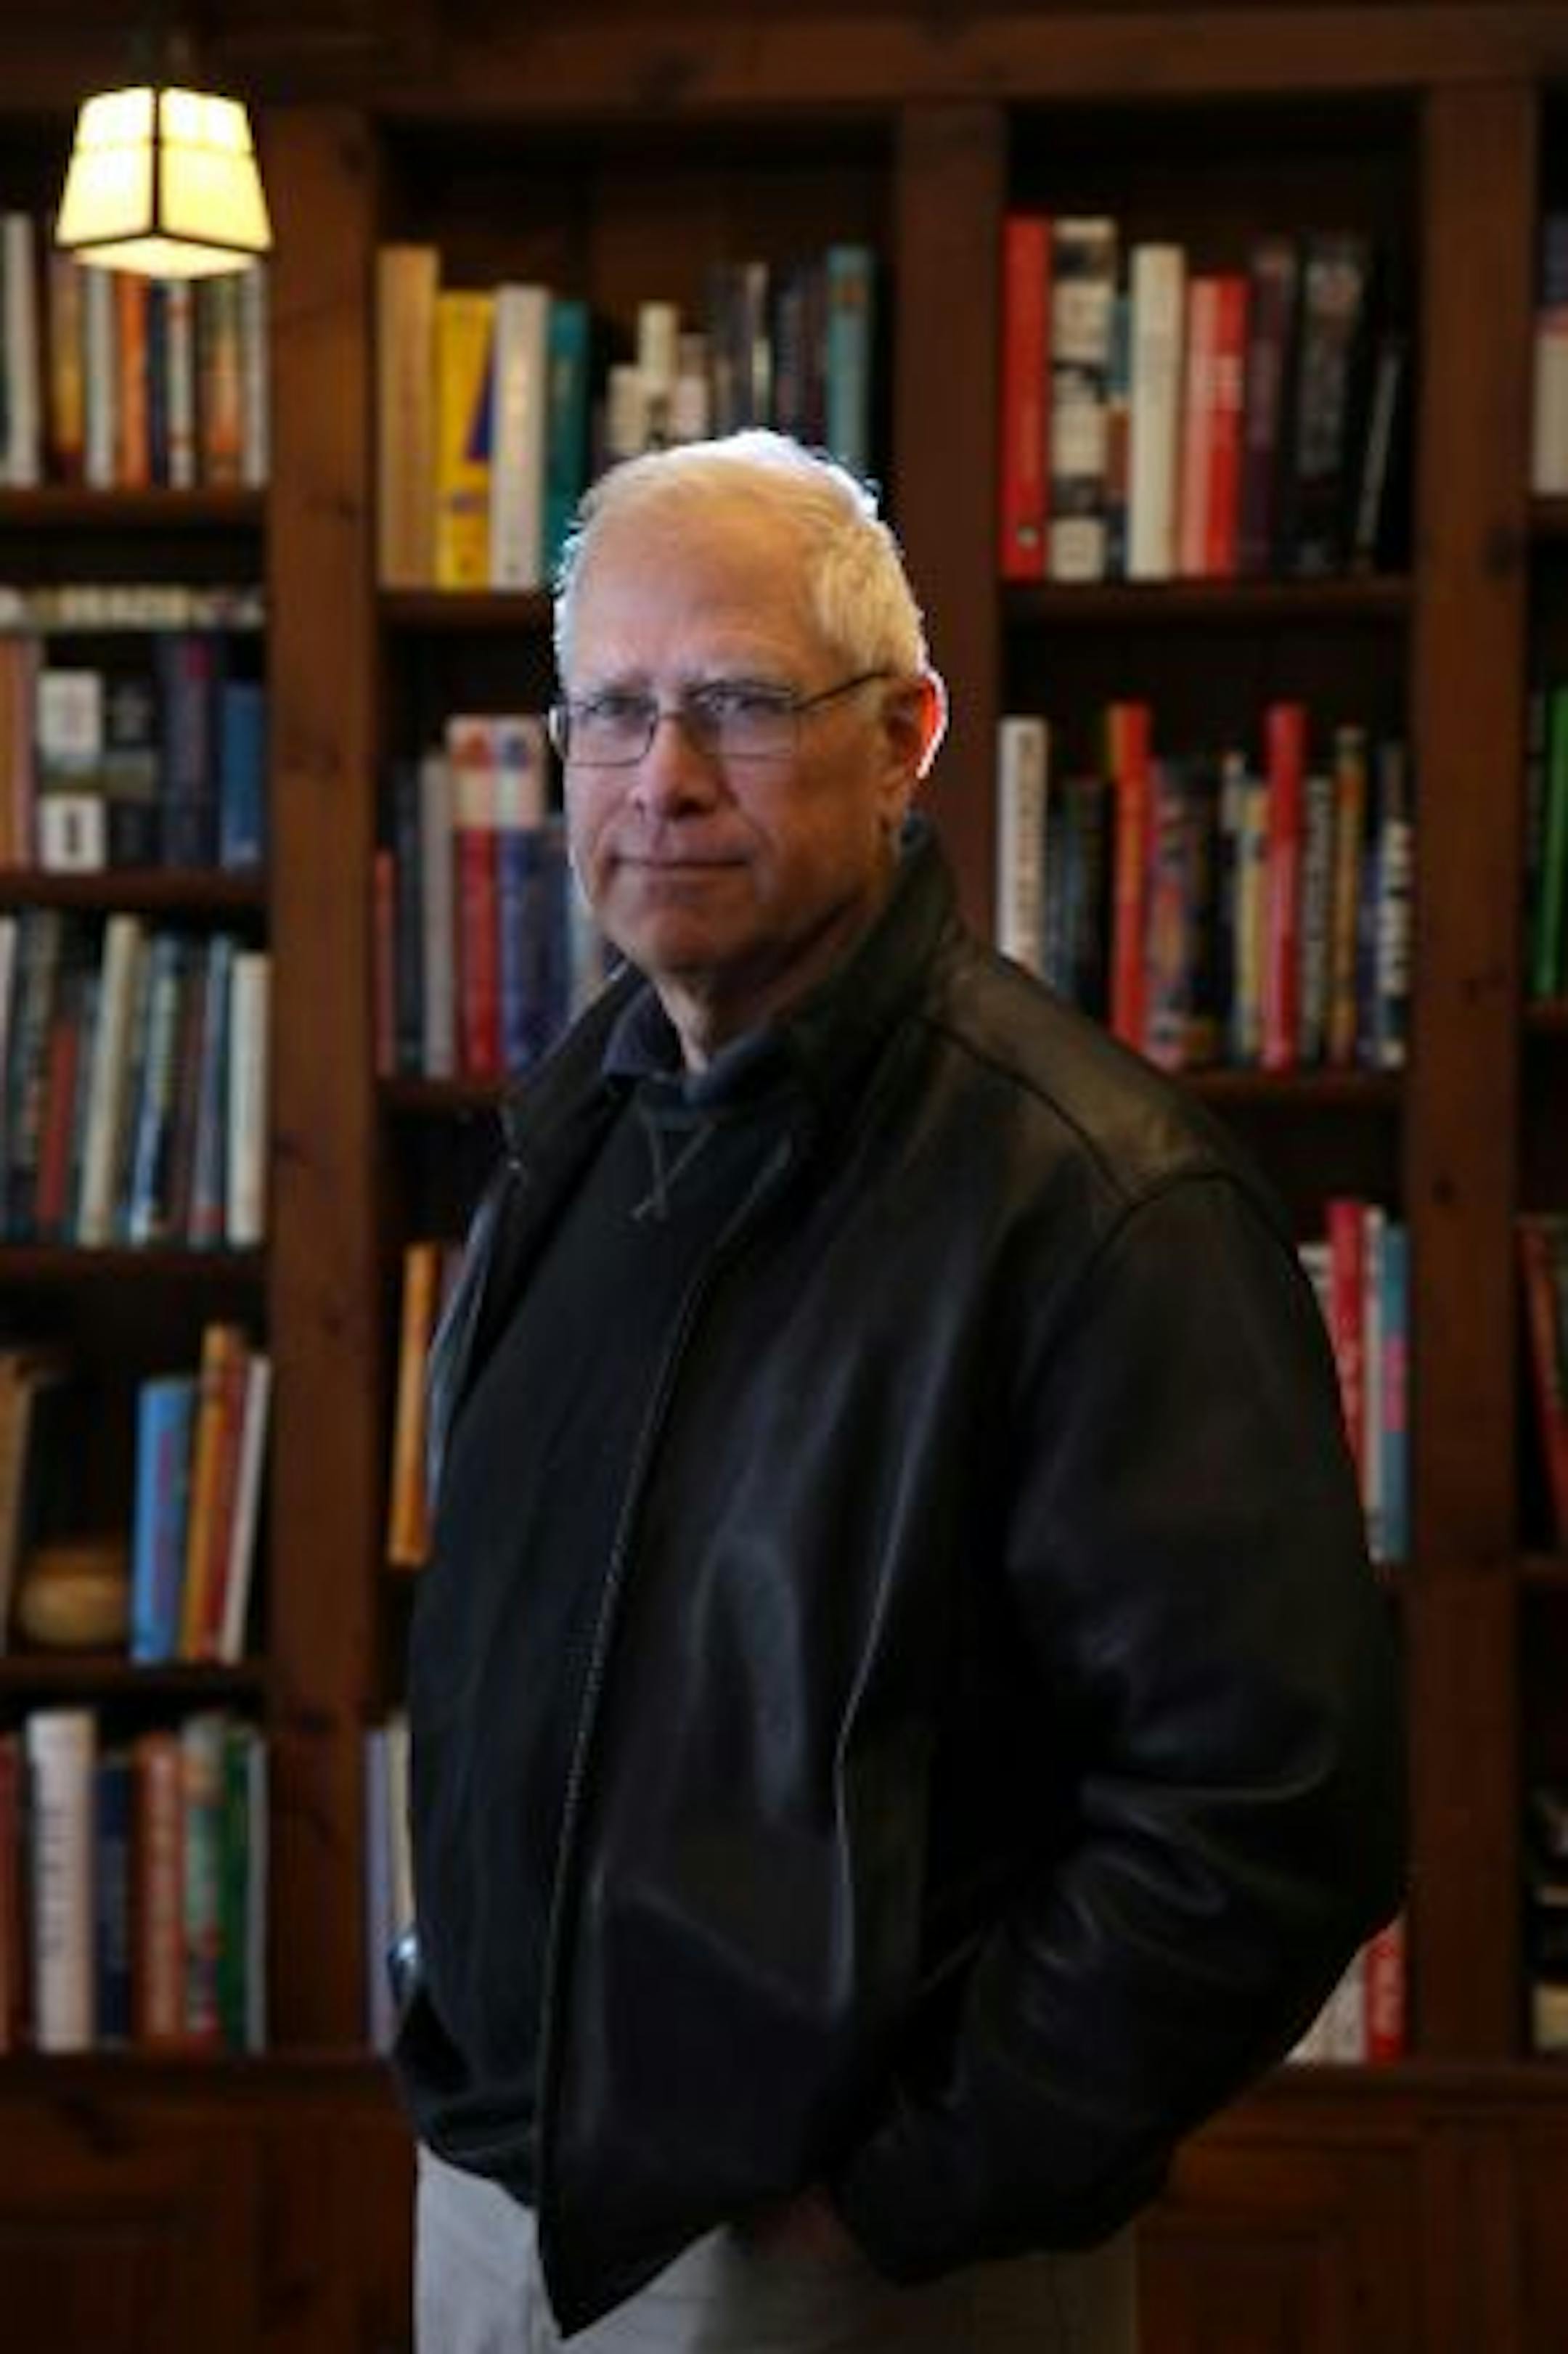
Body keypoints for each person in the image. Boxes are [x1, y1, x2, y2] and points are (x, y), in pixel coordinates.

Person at [392, 428, 1406, 2353]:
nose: (662, 779)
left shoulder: (1096, 1195)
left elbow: (1272, 1817)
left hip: (842, 2273)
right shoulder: (573, 1133)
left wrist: (900, 2192)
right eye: (611, 712)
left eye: (741, 704)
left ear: (908, 732)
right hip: (496, 2206)